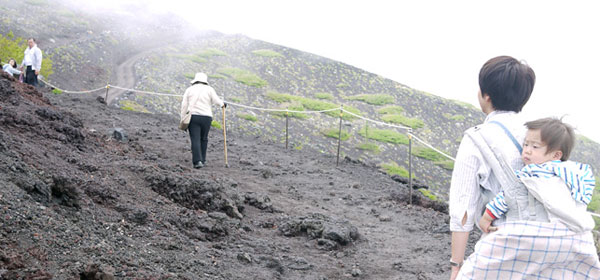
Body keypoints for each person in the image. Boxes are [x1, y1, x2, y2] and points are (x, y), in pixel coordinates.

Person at [448, 56, 536, 279]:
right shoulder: (539, 136)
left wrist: (457, 266)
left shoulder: (476, 138)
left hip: (501, 246)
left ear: (486, 95)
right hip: (542, 245)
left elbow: (463, 210)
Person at [479, 117, 596, 234]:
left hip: (536, 232)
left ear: (556, 155)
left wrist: (487, 217)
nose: (527, 150)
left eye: (535, 147)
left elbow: (510, 193)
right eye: (525, 144)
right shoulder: (578, 173)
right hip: (568, 233)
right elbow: (583, 198)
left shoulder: (533, 171)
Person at [180, 72, 225, 169]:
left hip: (193, 117)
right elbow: (217, 101)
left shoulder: (189, 90)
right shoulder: (209, 89)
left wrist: (183, 119)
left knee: (195, 139)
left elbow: (184, 106)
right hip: (207, 118)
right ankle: (203, 160)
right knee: (204, 139)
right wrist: (222, 104)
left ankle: (197, 161)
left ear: (195, 80)